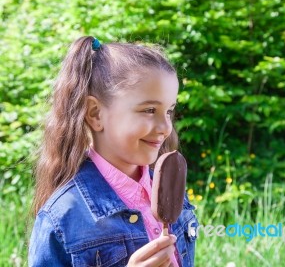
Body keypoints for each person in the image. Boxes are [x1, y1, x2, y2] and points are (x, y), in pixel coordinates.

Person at [28, 36, 198, 267]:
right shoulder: (64, 216)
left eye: (169, 111)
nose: (166, 127)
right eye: (149, 110)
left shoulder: (168, 190)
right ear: (95, 114)